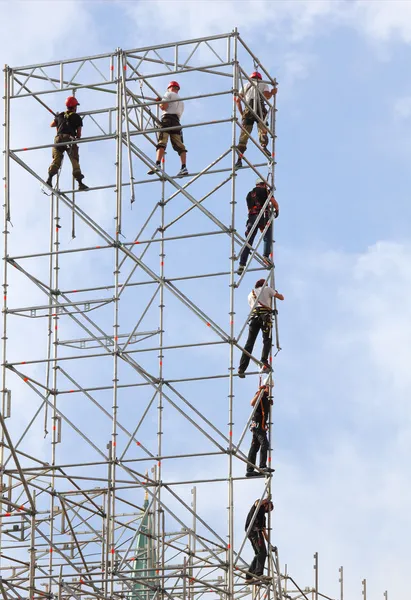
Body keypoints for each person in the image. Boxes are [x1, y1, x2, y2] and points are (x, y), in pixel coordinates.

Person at [238, 279, 284, 378]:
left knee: (249, 343)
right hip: (265, 317)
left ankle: (241, 367)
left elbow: (252, 306)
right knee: (267, 339)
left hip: (254, 318)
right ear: (264, 284)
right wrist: (275, 292)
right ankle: (264, 360)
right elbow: (281, 298)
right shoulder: (267, 289)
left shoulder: (250, 294)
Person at [234, 71, 277, 169]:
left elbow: (237, 100)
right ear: (260, 78)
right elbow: (267, 95)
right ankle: (263, 145)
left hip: (248, 109)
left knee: (244, 135)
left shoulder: (245, 85)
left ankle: (239, 160)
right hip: (259, 109)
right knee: (263, 129)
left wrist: (242, 114)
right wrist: (272, 93)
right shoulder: (263, 84)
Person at [46, 96, 89, 191]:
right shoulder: (77, 117)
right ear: (74, 107)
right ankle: (80, 183)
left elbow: (51, 125)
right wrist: (77, 138)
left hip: (58, 139)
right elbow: (79, 134)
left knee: (56, 159)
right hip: (69, 139)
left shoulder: (61, 115)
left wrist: (57, 119)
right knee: (74, 160)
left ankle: (49, 179)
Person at [237, 179, 279, 275]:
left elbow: (249, 208)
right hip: (263, 216)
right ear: (264, 184)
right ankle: (265, 256)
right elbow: (273, 202)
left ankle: (242, 264)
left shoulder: (249, 194)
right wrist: (277, 210)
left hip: (252, 218)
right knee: (267, 236)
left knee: (249, 241)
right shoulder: (265, 191)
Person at [147, 81, 188, 177]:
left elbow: (164, 107)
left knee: (162, 142)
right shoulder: (181, 101)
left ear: (169, 88)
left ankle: (157, 164)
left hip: (167, 120)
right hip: (177, 122)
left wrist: (160, 102)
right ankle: (183, 167)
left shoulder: (168, 94)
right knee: (180, 146)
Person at [246, 384, 275, 477]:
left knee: (255, 446)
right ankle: (262, 466)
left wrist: (269, 403)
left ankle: (250, 470)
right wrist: (260, 393)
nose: (270, 389)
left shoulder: (267, 397)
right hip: (257, 424)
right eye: (269, 387)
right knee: (264, 443)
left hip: (259, 425)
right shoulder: (261, 393)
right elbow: (252, 403)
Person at [245, 498, 274, 582]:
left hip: (256, 532)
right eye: (269, 507)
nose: (268, 510)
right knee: (262, 552)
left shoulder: (263, 518)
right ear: (266, 504)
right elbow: (257, 502)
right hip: (254, 531)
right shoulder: (257, 508)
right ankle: (258, 573)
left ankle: (249, 576)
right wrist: (267, 499)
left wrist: (269, 543)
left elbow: (264, 532)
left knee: (258, 554)